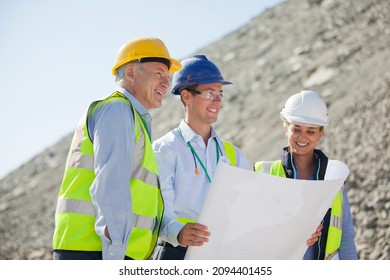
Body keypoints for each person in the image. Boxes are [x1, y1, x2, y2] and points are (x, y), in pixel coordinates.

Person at [152, 55, 321, 260]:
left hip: (222, 256)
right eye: (209, 93)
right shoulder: (165, 149)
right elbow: (156, 214)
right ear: (186, 96)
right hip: (176, 254)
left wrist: (297, 231)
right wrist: (178, 232)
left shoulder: (233, 154)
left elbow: (255, 211)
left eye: (220, 94)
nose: (217, 101)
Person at [52, 37, 182, 260]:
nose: (166, 83)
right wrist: (115, 258)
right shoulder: (118, 110)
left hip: (104, 252)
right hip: (94, 252)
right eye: (159, 73)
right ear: (131, 72)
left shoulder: (132, 118)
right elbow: (111, 189)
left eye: (167, 77)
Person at [254, 90, 358, 260]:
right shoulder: (263, 174)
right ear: (285, 127)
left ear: (320, 133)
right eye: (296, 129)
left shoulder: (334, 177)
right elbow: (252, 236)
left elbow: (345, 238)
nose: (302, 137)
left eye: (310, 131)